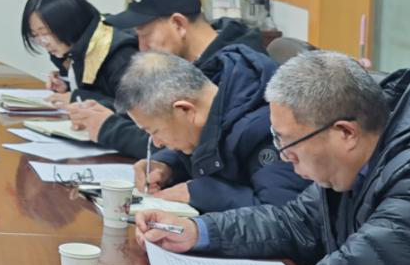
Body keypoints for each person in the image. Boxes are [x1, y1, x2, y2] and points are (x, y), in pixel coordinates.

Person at [136, 51, 410, 265]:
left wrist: (319, 256)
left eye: (289, 143)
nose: (283, 157)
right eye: (276, 139)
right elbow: (295, 222)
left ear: (345, 133)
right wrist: (198, 231)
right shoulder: (355, 159)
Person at [62, 0, 271, 160]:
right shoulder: (193, 60)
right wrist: (105, 110)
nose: (142, 47)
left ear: (178, 24)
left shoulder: (239, 71)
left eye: (145, 35)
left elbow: (192, 144)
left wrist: (108, 128)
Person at [115, 50, 308, 212]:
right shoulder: (213, 90)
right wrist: (168, 165)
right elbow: (209, 141)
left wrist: (200, 193)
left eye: (155, 131)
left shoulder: (268, 129)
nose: (157, 143)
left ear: (185, 110)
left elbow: (284, 215)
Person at [23, 0, 138, 106]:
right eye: (35, 35)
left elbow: (134, 109)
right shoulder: (74, 44)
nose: (43, 43)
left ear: (69, 22)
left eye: (45, 33)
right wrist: (67, 86)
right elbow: (96, 90)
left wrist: (77, 98)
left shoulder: (119, 53)